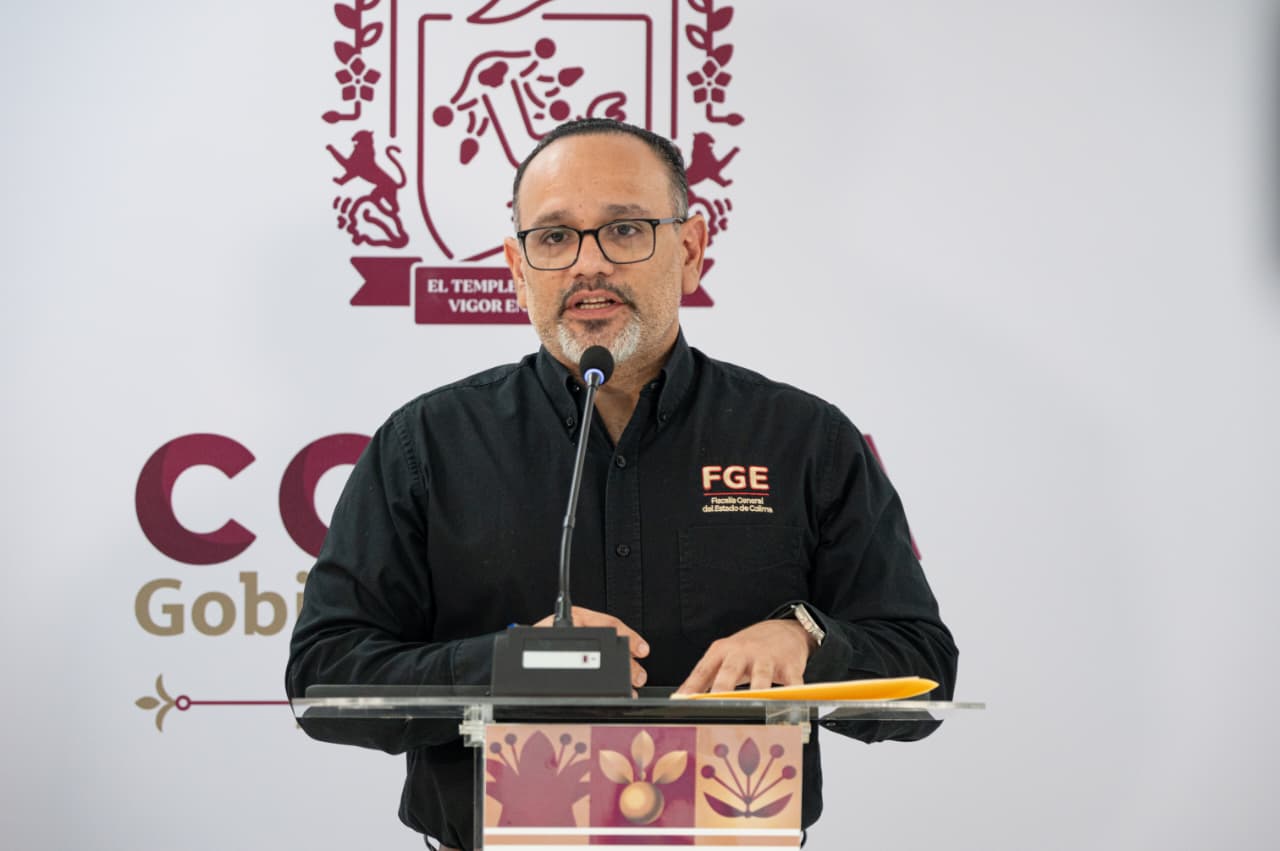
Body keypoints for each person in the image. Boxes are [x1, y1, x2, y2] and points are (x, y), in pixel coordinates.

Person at [286, 118, 958, 850]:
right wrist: (504, 664)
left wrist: (806, 641)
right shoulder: (427, 443)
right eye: (554, 237)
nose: (588, 264)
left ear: (691, 250)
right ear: (516, 268)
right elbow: (324, 676)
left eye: (625, 230)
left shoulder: (804, 439)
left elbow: (924, 673)